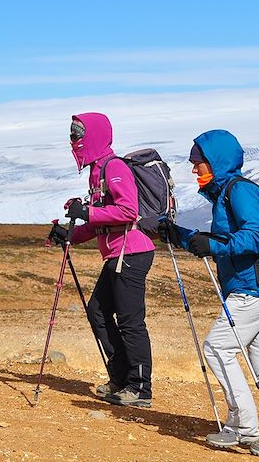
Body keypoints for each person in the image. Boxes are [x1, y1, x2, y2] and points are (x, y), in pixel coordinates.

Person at [160, 129, 259, 460]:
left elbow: (253, 238)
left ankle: (243, 427)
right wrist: (181, 236)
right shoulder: (227, 192)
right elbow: (223, 239)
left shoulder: (239, 192)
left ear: (216, 162)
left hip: (252, 289)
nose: (194, 168)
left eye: (198, 163)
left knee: (217, 348)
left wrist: (209, 244)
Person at [49, 112, 156, 408]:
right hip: (117, 253)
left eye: (78, 134)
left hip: (132, 252)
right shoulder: (97, 171)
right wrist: (70, 234)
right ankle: (121, 378)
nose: (74, 141)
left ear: (93, 135)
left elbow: (128, 211)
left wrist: (88, 213)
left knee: (131, 322)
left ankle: (140, 388)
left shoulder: (114, 166)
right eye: (72, 135)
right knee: (97, 311)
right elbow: (101, 223)